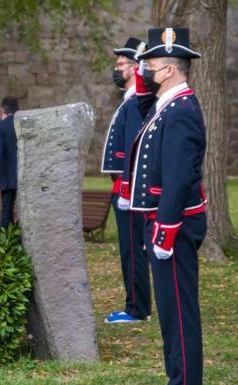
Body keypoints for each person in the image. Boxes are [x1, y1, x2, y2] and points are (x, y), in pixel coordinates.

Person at [121, 27, 208, 385]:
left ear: (170, 70)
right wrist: (144, 72)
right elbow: (142, 102)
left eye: (151, 65)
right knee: (170, 314)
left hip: (172, 225)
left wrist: (165, 230)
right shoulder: (167, 105)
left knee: (179, 314)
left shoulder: (182, 110)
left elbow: (177, 177)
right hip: (161, 222)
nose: (145, 71)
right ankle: (178, 376)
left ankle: (185, 380)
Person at [101, 37, 152, 324]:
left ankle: (137, 309)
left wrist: (126, 186)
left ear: (135, 69)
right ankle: (137, 305)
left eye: (121, 64)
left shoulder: (135, 103)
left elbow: (134, 147)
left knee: (132, 250)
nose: (116, 68)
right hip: (124, 188)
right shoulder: (130, 101)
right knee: (130, 249)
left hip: (128, 192)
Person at [0, 96, 19, 228]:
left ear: (3, 110)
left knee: (6, 212)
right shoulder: (23, 123)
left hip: (8, 177)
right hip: (25, 174)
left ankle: (5, 244)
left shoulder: (0, 126)